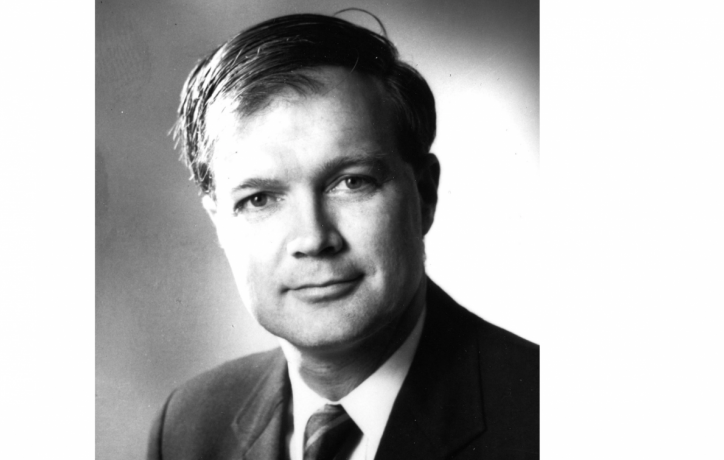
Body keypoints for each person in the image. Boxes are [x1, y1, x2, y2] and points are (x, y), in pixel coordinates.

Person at [148, 13, 538, 460]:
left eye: (352, 182)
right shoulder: (188, 425)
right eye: (259, 199)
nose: (313, 238)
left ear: (424, 195)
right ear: (219, 222)